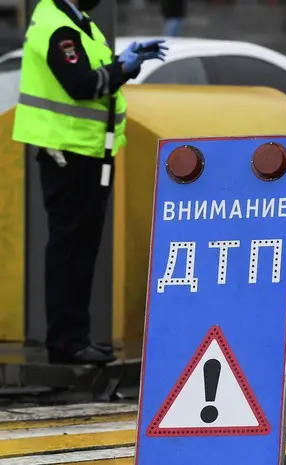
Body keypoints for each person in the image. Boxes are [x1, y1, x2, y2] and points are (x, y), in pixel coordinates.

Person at [12, 0, 167, 365]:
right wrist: (122, 68)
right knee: (70, 248)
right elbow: (82, 84)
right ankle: (67, 340)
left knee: (81, 246)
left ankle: (74, 337)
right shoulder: (59, 27)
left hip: (89, 150)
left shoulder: (79, 23)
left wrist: (122, 65)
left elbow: (95, 73)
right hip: (68, 152)